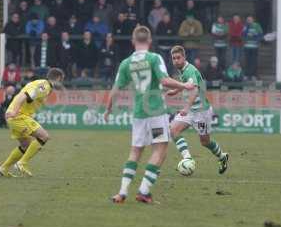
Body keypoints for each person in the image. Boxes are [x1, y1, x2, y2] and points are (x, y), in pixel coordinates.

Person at [104, 26, 194, 204]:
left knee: (135, 151)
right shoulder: (154, 58)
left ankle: (122, 193)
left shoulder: (126, 63)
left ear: (133, 41)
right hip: (155, 111)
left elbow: (115, 90)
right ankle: (144, 191)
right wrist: (184, 86)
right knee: (160, 149)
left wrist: (108, 109)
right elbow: (164, 81)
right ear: (150, 41)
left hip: (139, 113)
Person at [168, 45, 229, 174]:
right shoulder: (183, 70)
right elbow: (185, 83)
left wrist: (186, 107)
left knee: (205, 141)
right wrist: (176, 90)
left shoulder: (190, 70)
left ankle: (223, 157)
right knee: (173, 130)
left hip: (201, 112)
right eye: (174, 58)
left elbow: (195, 89)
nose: (176, 61)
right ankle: (187, 158)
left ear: (184, 57)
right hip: (190, 111)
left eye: (178, 58)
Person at [0, 68, 65, 177]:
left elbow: (27, 97)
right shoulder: (44, 86)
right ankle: (22, 163)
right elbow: (24, 96)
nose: (61, 83)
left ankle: (2, 169)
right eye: (62, 80)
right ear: (58, 78)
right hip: (18, 116)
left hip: (15, 115)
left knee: (25, 144)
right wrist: (15, 111)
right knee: (44, 136)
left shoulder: (42, 85)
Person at [243, 16, 263, 80]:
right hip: (247, 46)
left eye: (250, 19)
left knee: (254, 61)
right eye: (248, 20)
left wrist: (254, 35)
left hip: (254, 46)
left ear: (253, 20)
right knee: (247, 61)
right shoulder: (245, 26)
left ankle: (254, 75)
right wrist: (247, 33)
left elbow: (260, 34)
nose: (249, 21)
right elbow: (242, 34)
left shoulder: (257, 25)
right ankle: (247, 75)